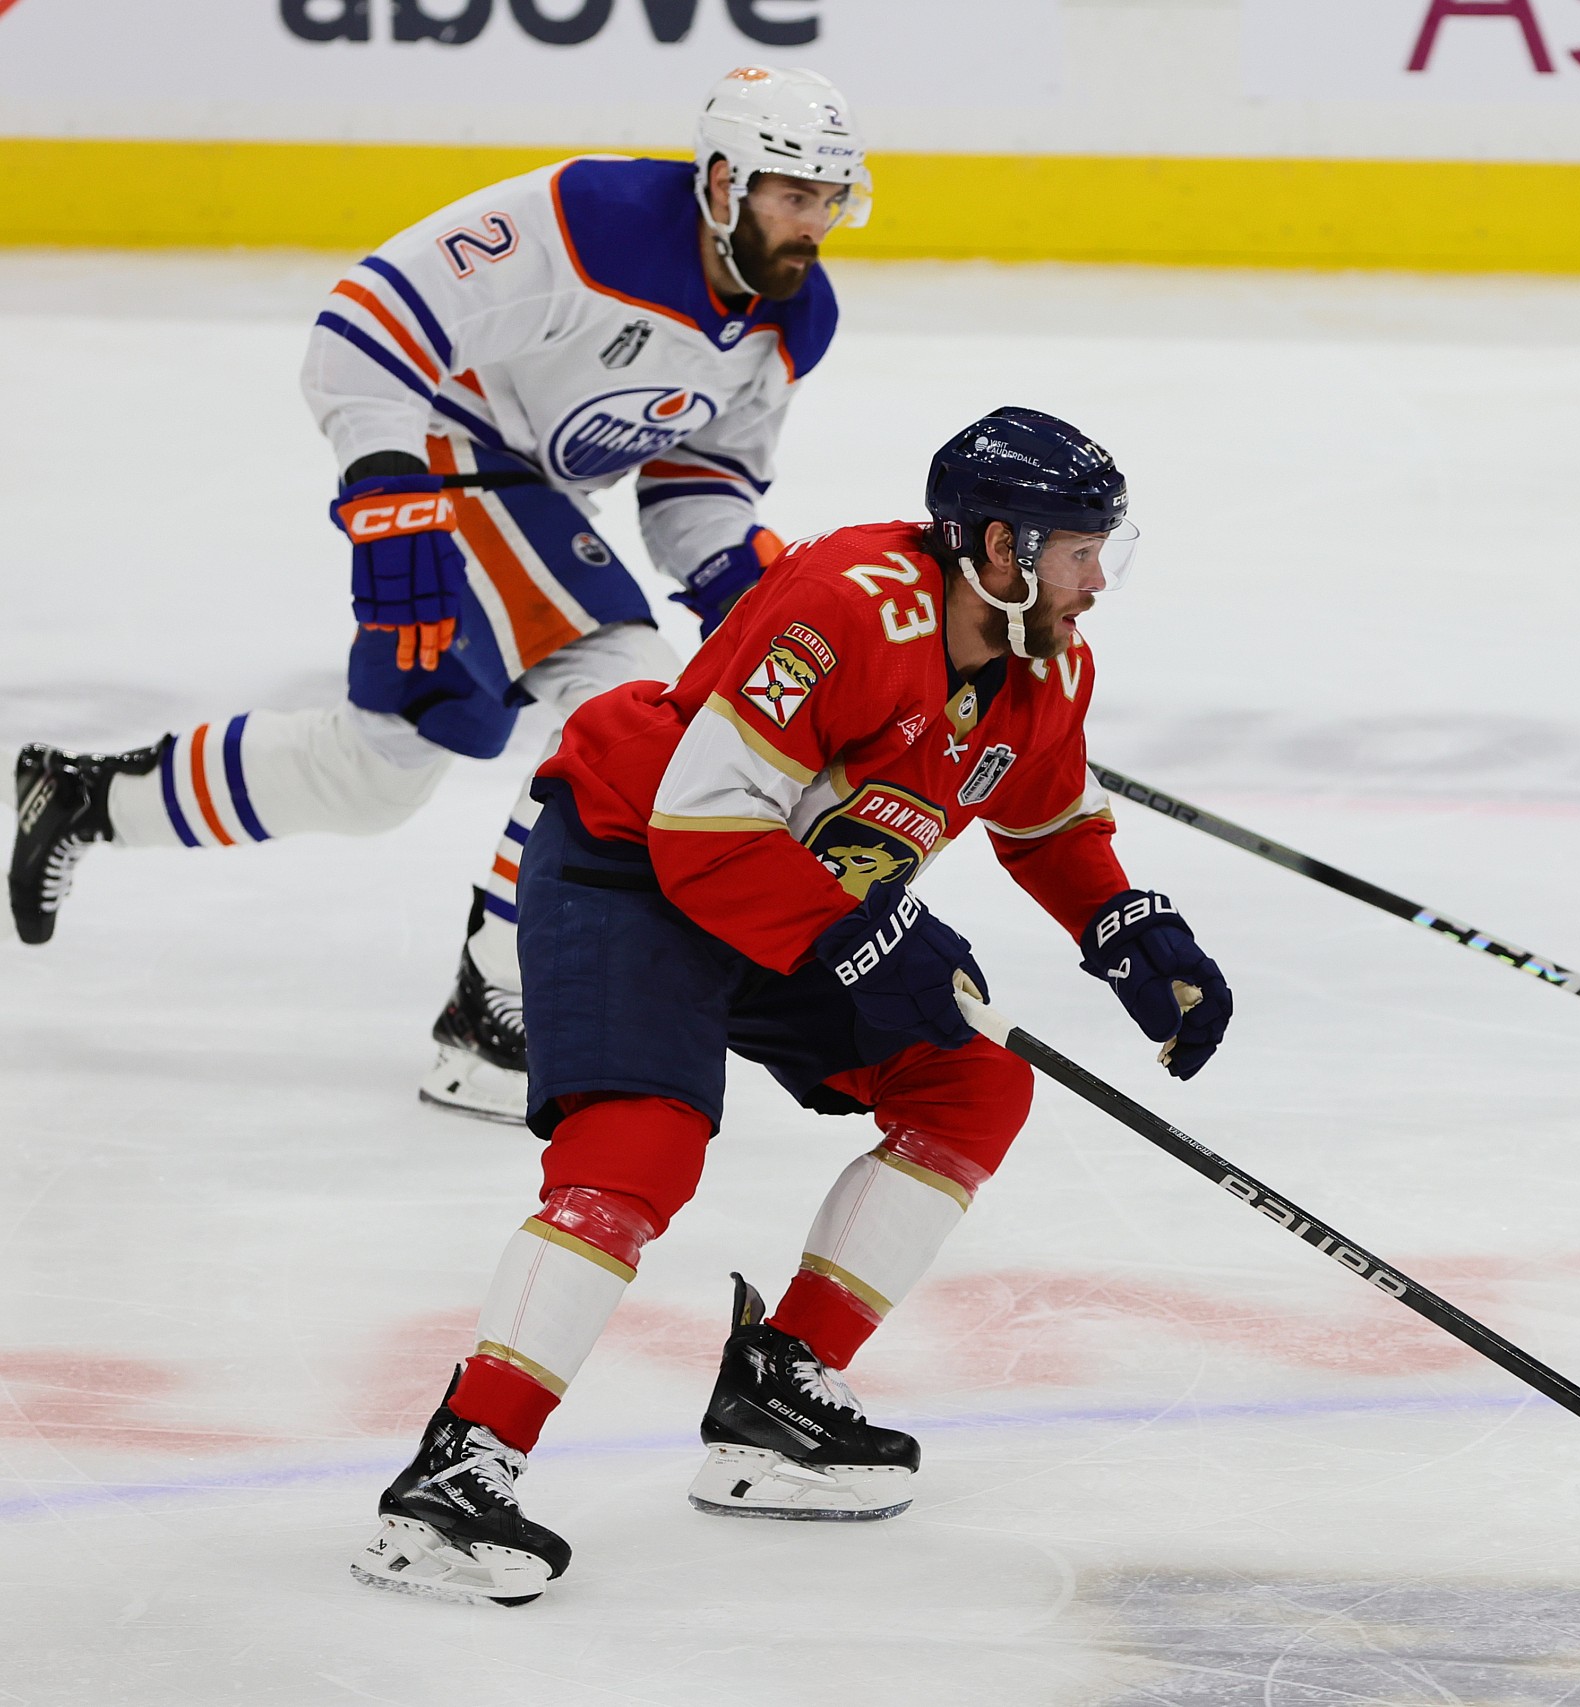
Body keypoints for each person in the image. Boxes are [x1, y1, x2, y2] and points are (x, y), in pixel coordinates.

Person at [350, 407, 1235, 1607]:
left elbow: (1047, 815)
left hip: (790, 894)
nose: (1094, 580)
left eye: (1099, 549)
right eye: (1075, 549)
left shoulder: (1046, 661)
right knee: (637, 1152)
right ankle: (459, 1471)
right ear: (994, 546)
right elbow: (703, 829)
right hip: (636, 865)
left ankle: (780, 1390)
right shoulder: (848, 606)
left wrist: (1125, 930)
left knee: (970, 1081)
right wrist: (873, 938)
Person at [9, 65, 868, 1122]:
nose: (815, 222)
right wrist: (389, 506)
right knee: (629, 706)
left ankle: (87, 797)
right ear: (725, 181)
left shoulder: (795, 318)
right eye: (794, 194)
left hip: (534, 491)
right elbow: (364, 323)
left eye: (830, 199)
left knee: (384, 765)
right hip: (440, 448)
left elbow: (697, 483)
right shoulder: (590, 222)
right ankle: (492, 1007)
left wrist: (741, 581)